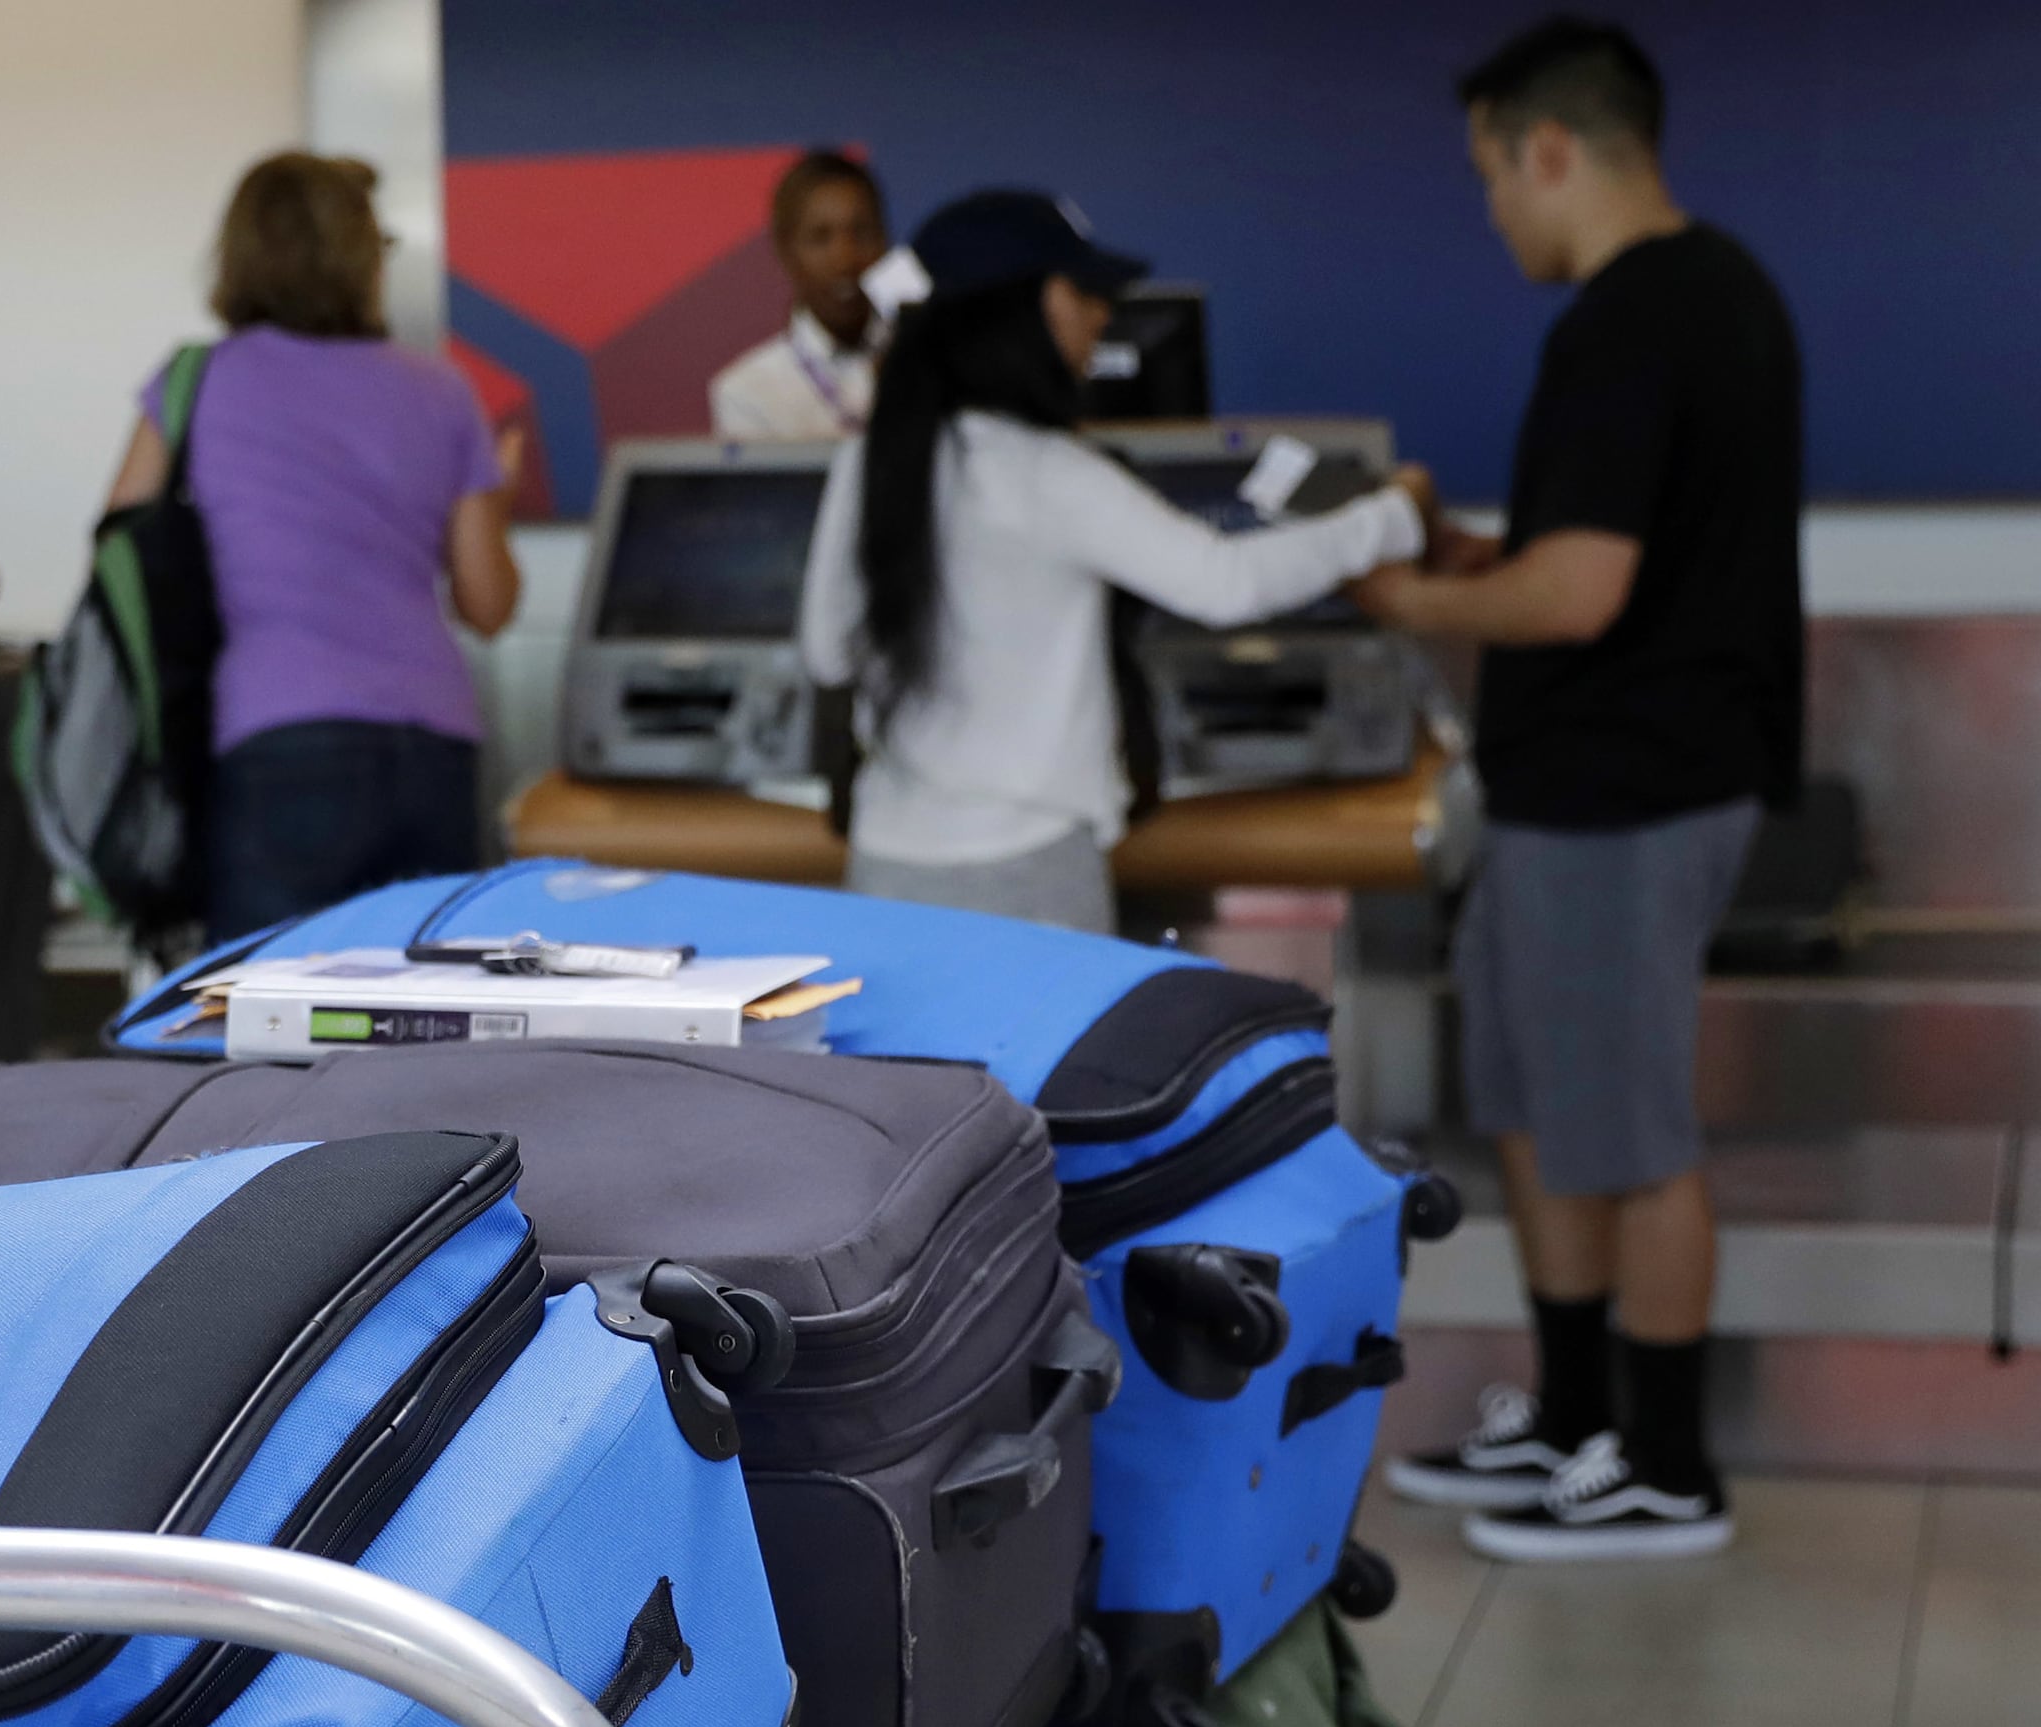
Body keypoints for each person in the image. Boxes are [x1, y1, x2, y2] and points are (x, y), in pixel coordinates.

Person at [1363, 21, 1799, 1563]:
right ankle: (1574, 1422)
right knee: (1546, 1111)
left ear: (1552, 147)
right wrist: (1487, 559)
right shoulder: (1710, 296)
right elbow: (1601, 556)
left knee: (1626, 1127)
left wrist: (1414, 603)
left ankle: (1666, 1465)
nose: (1492, 208)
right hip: (1583, 784)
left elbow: (1583, 596)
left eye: (1492, 171)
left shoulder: (1635, 320)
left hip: (1630, 786)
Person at [796, 190, 1434, 935]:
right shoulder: (1046, 473)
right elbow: (1224, 583)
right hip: (1027, 872)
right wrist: (1390, 518)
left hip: (886, 864)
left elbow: (827, 654)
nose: (1104, 313)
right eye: (1081, 292)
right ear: (1013, 310)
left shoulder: (868, 461)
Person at [99, 151, 520, 941]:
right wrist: (499, 492)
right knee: (428, 1027)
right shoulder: (441, 389)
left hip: (276, 733)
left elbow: (119, 553)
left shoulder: (197, 382)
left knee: (272, 1024)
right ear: (361, 256)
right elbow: (488, 604)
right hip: (434, 741)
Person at [711, 151, 892, 443]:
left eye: (861, 232)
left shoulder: (934, 365)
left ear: (885, 239)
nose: (845, 258)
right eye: (820, 237)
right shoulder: (747, 392)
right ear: (786, 252)